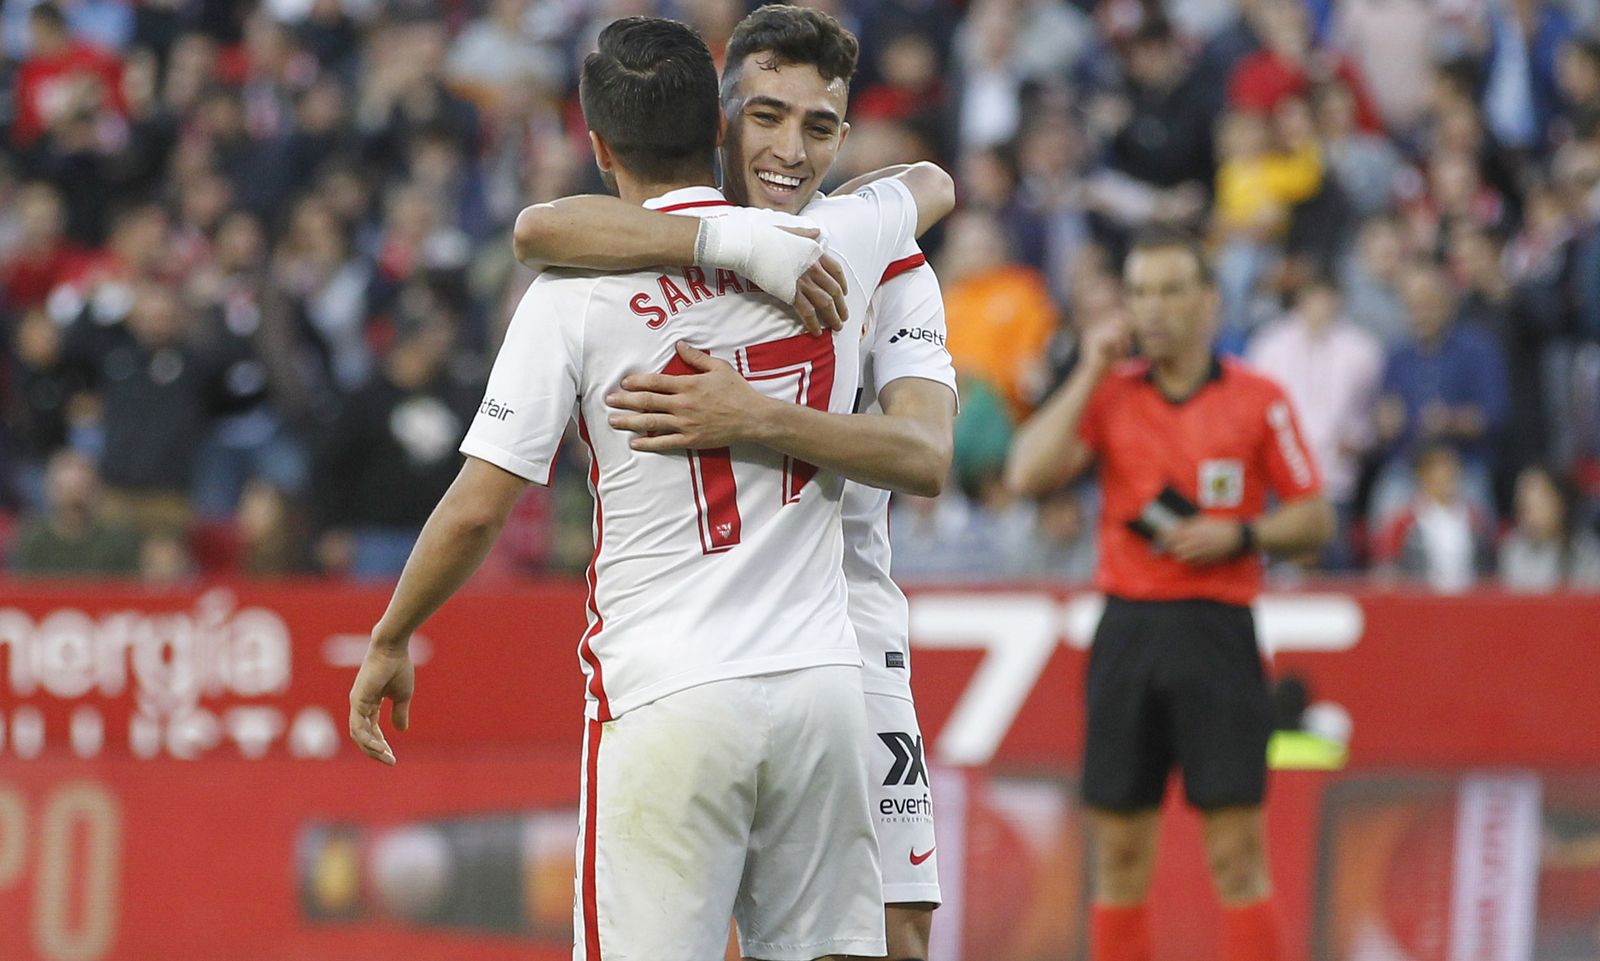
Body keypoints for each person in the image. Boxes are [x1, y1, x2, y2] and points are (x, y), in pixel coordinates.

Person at [347, 16, 954, 961]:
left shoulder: (572, 289)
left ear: (595, 145)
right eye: (768, 117)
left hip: (678, 682)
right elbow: (927, 186)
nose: (791, 149)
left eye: (820, 127)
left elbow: (479, 499)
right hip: (822, 681)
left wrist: (390, 635)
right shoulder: (845, 242)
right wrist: (746, 246)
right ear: (721, 126)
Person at [1006, 228, 1333, 961]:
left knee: (1237, 852)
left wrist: (1241, 536)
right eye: (1141, 291)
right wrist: (1088, 370)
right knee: (1118, 857)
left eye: (1171, 289)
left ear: (1209, 301)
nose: (1153, 308)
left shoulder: (1257, 398)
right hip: (1127, 630)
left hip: (1218, 629)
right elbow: (1027, 472)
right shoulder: (1110, 394)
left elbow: (1315, 516)